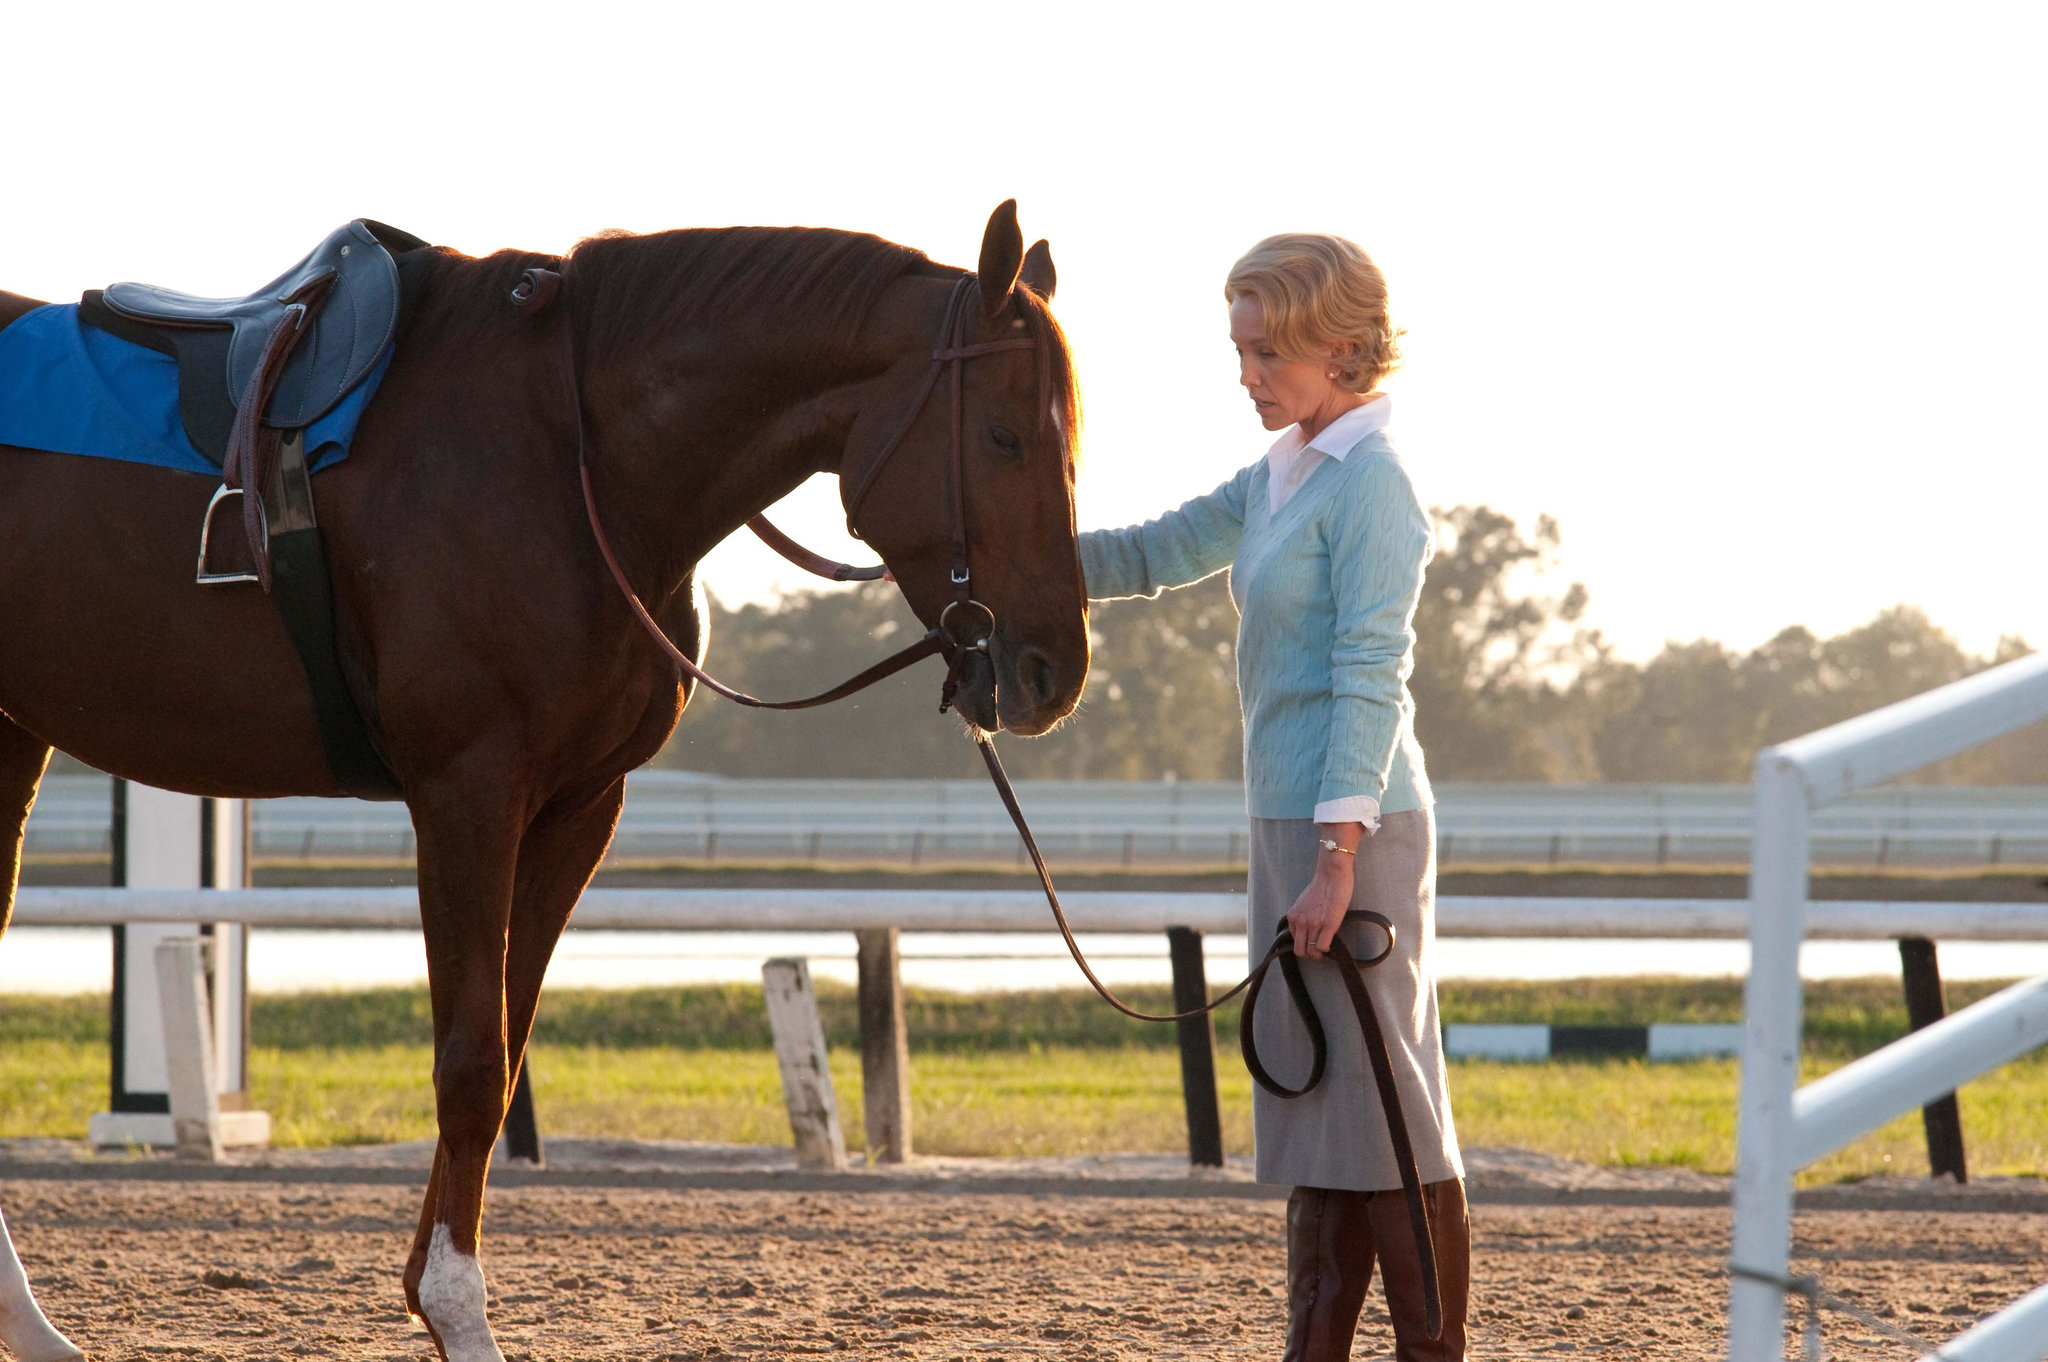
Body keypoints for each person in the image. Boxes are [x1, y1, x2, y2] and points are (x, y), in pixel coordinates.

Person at [1076, 233, 1466, 1361]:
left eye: (1266, 355)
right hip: (1287, 821)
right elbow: (1150, 552)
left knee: (1385, 1107)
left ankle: (1430, 1350)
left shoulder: (1373, 486)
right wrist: (1001, 553)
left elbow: (1369, 671)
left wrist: (1337, 857)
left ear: (1340, 349)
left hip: (1357, 825)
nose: (1245, 376)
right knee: (1314, 1101)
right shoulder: (1282, 472)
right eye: (1239, 351)